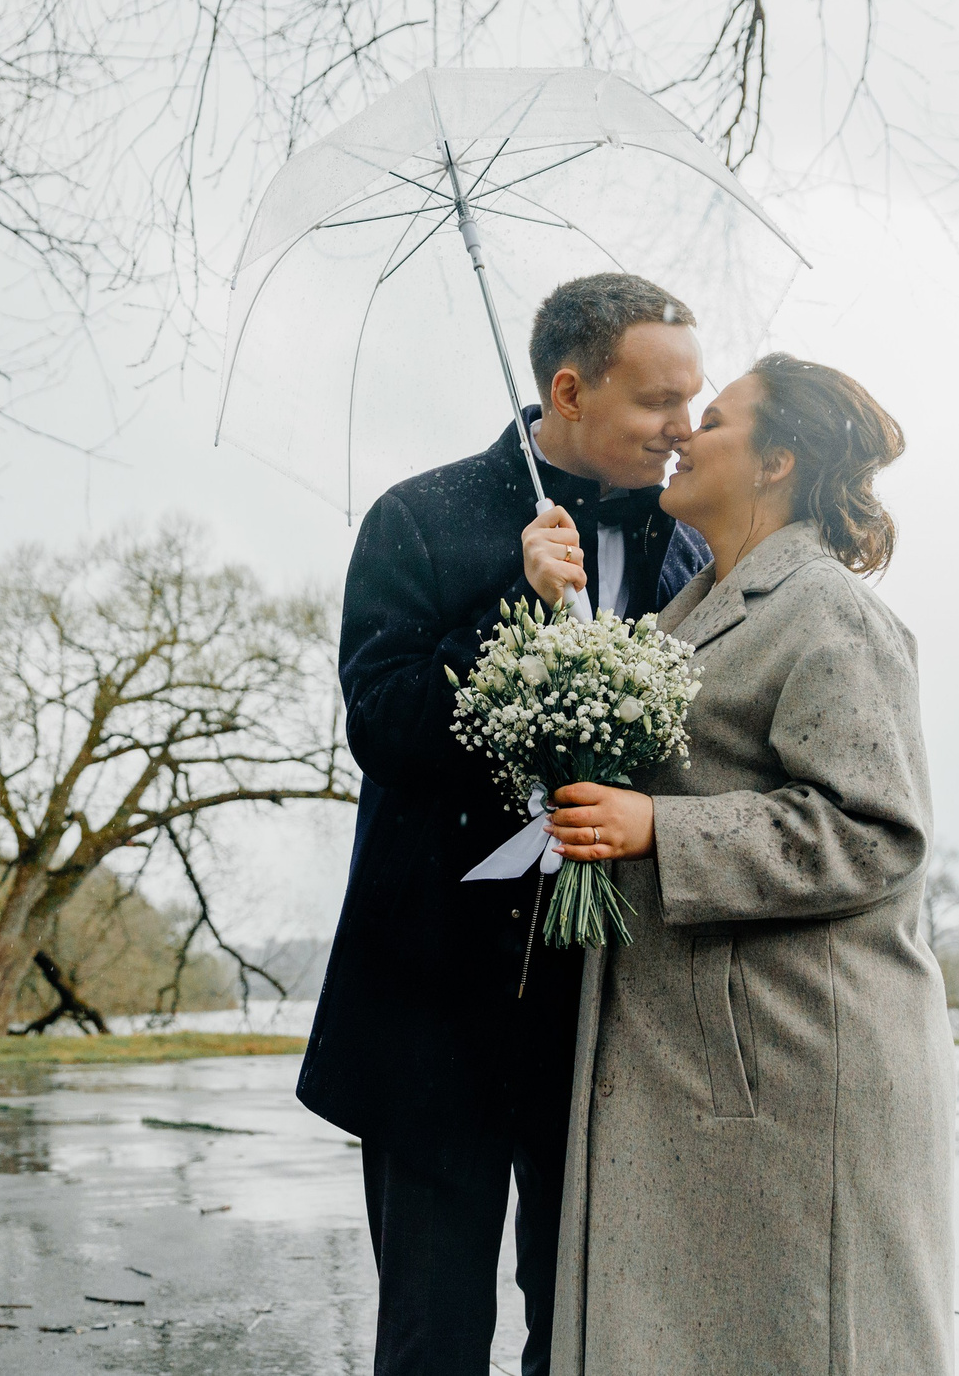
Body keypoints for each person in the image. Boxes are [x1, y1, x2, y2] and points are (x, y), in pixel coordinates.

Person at [298, 273, 716, 1376]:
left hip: (601, 1013)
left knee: (582, 1333)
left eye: (695, 397)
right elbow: (382, 729)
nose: (684, 428)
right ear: (569, 390)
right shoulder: (417, 515)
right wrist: (515, 612)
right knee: (433, 1338)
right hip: (429, 1004)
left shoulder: (685, 553)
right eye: (656, 403)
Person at [541, 352, 952, 1376]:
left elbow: (874, 831)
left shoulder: (829, 612)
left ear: (777, 461)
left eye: (713, 419)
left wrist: (657, 832)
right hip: (700, 1064)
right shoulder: (686, 618)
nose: (682, 430)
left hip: (793, 1069)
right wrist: (551, 609)